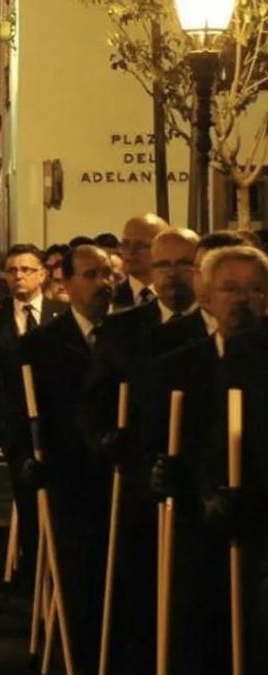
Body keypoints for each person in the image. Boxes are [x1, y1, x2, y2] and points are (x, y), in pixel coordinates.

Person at [83, 227, 201, 672]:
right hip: (138, 481)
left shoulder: (215, 330)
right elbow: (94, 401)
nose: (173, 275)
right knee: (141, 592)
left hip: (196, 480)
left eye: (183, 264)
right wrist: (107, 439)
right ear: (150, 271)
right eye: (163, 265)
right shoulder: (124, 330)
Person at [147, 245, 268, 673]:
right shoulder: (175, 367)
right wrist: (175, 477)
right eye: (231, 288)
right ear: (207, 297)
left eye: (255, 290)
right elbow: (159, 442)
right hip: (196, 530)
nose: (243, 299)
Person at [24, 244, 116, 673]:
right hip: (70, 475)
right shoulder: (45, 343)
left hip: (117, 474)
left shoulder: (127, 336)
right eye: (92, 275)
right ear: (69, 283)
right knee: (77, 577)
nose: (104, 284)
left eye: (108, 275)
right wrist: (30, 456)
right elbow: (26, 409)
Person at [0, 245, 67, 589]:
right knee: (27, 498)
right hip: (17, 424)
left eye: (27, 269)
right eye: (13, 270)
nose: (19, 275)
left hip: (58, 422)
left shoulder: (60, 315)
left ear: (42, 274)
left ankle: (62, 566)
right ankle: (35, 573)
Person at [113, 213, 170, 309]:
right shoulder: (110, 299)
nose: (131, 251)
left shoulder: (175, 296)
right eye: (126, 243)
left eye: (140, 245)